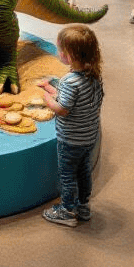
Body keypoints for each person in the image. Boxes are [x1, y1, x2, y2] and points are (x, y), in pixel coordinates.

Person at [36, 24, 104, 227]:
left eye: (59, 49)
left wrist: (47, 97)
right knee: (83, 172)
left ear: (68, 55)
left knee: (67, 175)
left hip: (70, 140)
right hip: (88, 138)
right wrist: (53, 87)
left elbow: (63, 109)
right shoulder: (94, 77)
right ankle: (83, 206)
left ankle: (67, 211)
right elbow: (78, 102)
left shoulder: (69, 81)